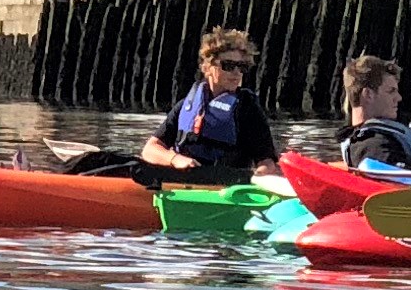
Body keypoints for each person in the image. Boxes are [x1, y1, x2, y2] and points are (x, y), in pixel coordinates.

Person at [55, 26, 275, 178]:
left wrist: (255, 180)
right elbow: (151, 149)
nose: (236, 73)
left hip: (214, 181)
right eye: (228, 65)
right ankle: (50, 180)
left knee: (118, 167)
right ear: (208, 66)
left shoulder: (247, 109)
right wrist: (175, 159)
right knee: (99, 159)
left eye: (242, 67)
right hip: (176, 173)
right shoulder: (187, 105)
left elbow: (267, 164)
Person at [335, 51, 411, 169]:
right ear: (368, 94)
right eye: (391, 91)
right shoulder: (375, 145)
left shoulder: (372, 141)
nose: (399, 98)